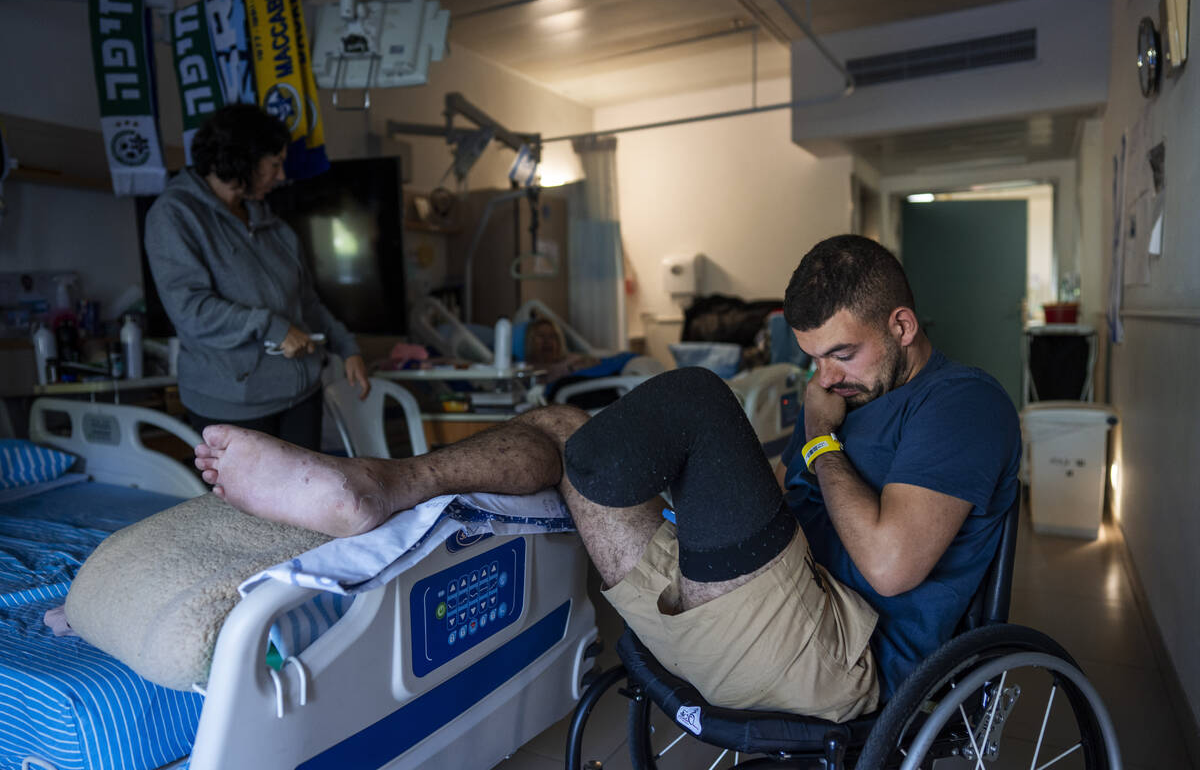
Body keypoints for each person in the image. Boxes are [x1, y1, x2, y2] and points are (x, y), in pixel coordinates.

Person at [191, 234, 1019, 720]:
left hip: (838, 656)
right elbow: (799, 503)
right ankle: (381, 484)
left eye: (843, 354)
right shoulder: (850, 394)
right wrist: (745, 478)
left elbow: (889, 564)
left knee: (697, 398)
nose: (827, 379)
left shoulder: (963, 406)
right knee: (561, 429)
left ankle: (394, 483)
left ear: (902, 326)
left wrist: (816, 447)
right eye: (813, 361)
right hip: (741, 605)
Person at [145, 104, 370, 451]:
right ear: (243, 159)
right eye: (275, 163)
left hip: (301, 394)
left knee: (302, 501)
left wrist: (347, 346)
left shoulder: (271, 224)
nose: (281, 176)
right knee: (247, 508)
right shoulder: (175, 216)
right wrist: (274, 328)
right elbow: (191, 309)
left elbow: (305, 301)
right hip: (233, 404)